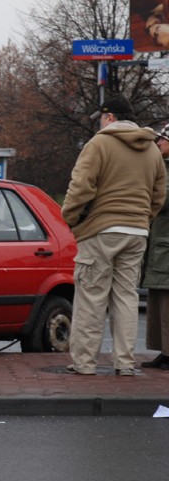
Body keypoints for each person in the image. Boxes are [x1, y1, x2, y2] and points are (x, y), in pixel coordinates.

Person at [61, 95, 167, 376]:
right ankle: (125, 363)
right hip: (137, 232)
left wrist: (70, 218)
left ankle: (84, 363)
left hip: (100, 230)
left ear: (109, 117)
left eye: (101, 118)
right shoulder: (152, 149)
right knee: (126, 297)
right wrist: (143, 219)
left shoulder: (99, 143)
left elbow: (81, 186)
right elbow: (159, 195)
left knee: (91, 297)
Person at [141, 124, 169, 371]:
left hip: (166, 247)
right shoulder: (163, 167)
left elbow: (163, 200)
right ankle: (164, 352)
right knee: (158, 300)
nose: (158, 143)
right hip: (160, 244)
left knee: (167, 301)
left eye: (162, 139)